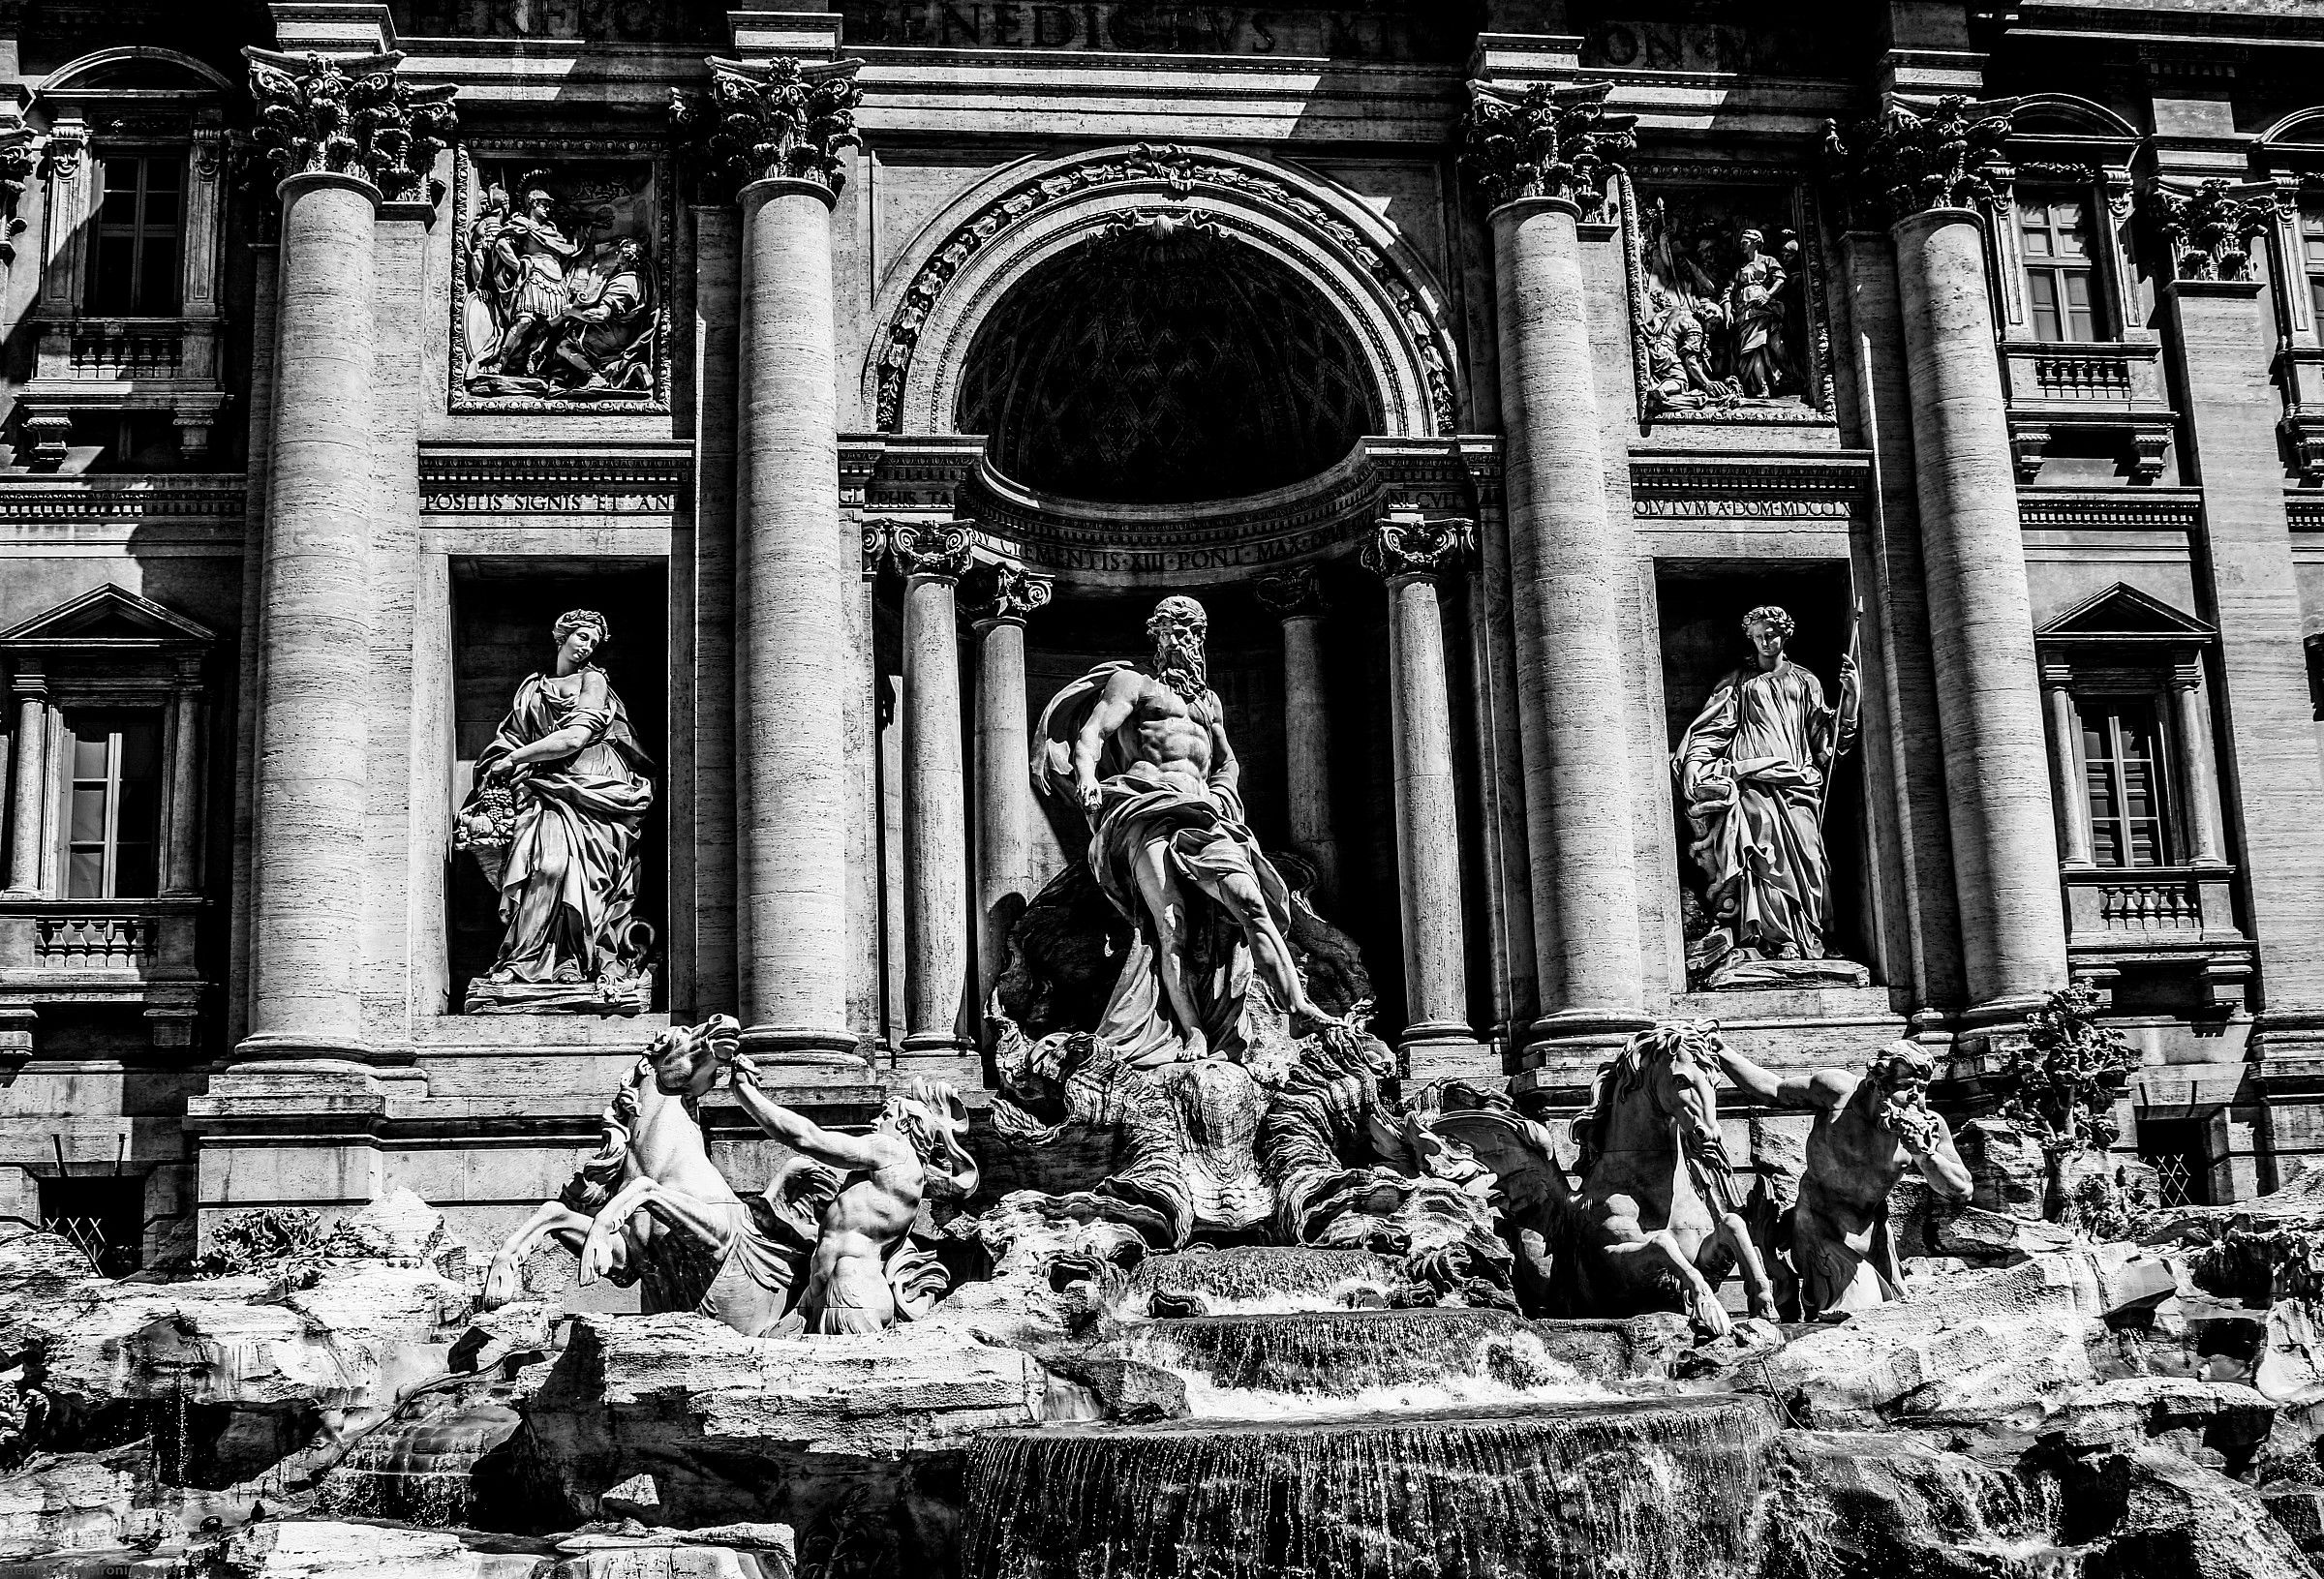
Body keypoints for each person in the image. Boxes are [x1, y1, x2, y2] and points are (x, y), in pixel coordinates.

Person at [1034, 595, 1337, 1066]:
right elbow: (1091, 734)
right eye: (1174, 633)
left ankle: (1297, 1006)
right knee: (1170, 924)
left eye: (1192, 632)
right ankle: (1193, 1032)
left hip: (1205, 815)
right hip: (1145, 808)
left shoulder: (1208, 702)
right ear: (1157, 638)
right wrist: (1089, 779)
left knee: (1252, 902)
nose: (1185, 642)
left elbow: (1227, 761)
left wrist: (1223, 794)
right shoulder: (1134, 685)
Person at [458, 609, 655, 1006]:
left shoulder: (593, 680)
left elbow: (575, 736)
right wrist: (504, 761)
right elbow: (509, 738)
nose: (587, 646)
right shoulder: (532, 688)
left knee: (575, 873)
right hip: (542, 789)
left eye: (594, 641)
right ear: (561, 635)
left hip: (593, 787)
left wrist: (516, 760)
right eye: (582, 636)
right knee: (543, 869)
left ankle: (574, 961)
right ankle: (523, 961)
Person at [1710, 1039, 1972, 1319]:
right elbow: (1772, 1090)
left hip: (1872, 1234)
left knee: (1891, 1316)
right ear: (1876, 1083)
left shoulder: (1928, 1126)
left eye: (1922, 1089)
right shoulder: (1837, 1091)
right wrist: (1721, 1050)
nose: (1915, 1098)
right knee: (1862, 1312)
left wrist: (1925, 1154)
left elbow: (1962, 1189)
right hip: (1817, 1224)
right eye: (1906, 1086)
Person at [721, 1052, 977, 1333]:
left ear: (904, 1125)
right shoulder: (891, 1176)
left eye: (886, 1115)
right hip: (819, 1294)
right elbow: (841, 1232)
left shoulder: (892, 1151)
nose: (875, 1122)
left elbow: (805, 1137)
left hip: (852, 1292)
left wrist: (745, 1092)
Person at [1672, 604, 1858, 974]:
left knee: (1810, 856)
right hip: (1752, 781)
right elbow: (1711, 730)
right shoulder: (1739, 683)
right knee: (1763, 853)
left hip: (1796, 782)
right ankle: (1774, 940)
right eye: (1758, 636)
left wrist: (1851, 697)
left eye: (1770, 634)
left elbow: (1829, 742)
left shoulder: (1806, 681)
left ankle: (1809, 935)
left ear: (1784, 635)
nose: (1764, 641)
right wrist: (1694, 762)